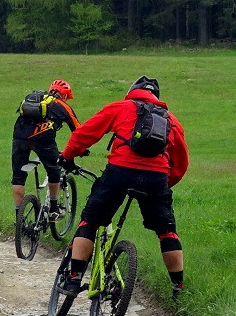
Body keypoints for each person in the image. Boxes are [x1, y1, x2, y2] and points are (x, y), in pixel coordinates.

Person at [58, 75, 190, 299]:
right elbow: (181, 163)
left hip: (120, 172)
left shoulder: (120, 107)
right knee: (167, 231)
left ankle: (73, 279)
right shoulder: (171, 120)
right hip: (156, 177)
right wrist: (162, 186)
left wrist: (68, 156)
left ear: (132, 91)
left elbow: (85, 134)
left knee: (90, 221)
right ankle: (179, 289)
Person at [12, 79, 80, 223]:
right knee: (54, 171)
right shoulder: (61, 105)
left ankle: (19, 220)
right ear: (64, 95)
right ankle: (53, 210)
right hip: (42, 138)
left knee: (18, 177)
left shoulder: (32, 99)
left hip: (19, 137)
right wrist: (81, 149)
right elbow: (79, 130)